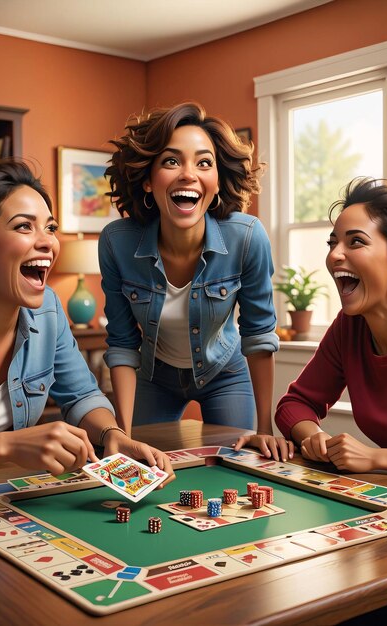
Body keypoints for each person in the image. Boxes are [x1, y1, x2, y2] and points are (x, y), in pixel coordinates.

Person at [237, 177, 387, 625]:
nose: (334, 255)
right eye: (334, 242)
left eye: (355, 242)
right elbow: (294, 405)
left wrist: (375, 459)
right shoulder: (349, 328)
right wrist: (311, 436)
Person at [0, 160, 174, 489]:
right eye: (24, 227)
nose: (47, 243)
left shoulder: (48, 309)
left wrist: (112, 435)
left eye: (50, 228)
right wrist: (8, 446)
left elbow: (81, 394)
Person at [99, 102, 291, 461]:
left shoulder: (247, 237)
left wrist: (265, 429)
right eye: (172, 161)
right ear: (147, 178)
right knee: (143, 467)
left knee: (236, 465)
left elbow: (258, 334)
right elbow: (123, 344)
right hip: (154, 376)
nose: (189, 174)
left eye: (204, 163)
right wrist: (122, 436)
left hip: (226, 373)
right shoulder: (116, 242)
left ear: (216, 184)